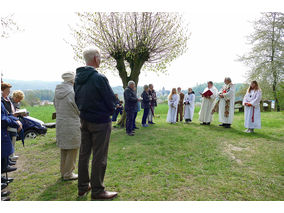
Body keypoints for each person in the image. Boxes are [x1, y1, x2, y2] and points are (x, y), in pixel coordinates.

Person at [74, 47, 117, 200]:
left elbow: (77, 99)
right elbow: (111, 100)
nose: (100, 60)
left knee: (84, 154)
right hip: (100, 121)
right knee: (99, 156)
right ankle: (98, 190)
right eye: (99, 57)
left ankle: (83, 186)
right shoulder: (99, 78)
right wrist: (110, 110)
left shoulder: (78, 78)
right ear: (95, 58)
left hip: (84, 120)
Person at [54, 71, 81, 181]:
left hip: (61, 122)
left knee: (64, 149)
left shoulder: (57, 91)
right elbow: (78, 108)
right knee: (73, 149)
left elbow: (55, 105)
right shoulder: (71, 92)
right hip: (72, 123)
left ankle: (63, 171)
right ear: (72, 80)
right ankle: (69, 173)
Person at [1, 83, 18, 161]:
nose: (9, 92)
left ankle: (10, 156)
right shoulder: (2, 100)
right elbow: (6, 113)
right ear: (2, 90)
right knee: (11, 136)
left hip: (10, 119)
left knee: (13, 135)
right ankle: (9, 157)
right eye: (7, 90)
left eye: (9, 90)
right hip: (6, 122)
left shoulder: (7, 99)